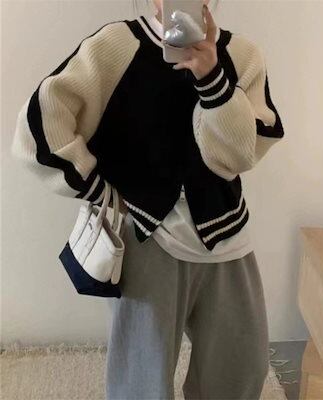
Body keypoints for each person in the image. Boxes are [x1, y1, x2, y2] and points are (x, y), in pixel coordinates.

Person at [11, 0, 285, 398]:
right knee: (141, 383)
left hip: (226, 235)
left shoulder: (242, 55)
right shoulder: (115, 45)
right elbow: (39, 126)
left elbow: (239, 156)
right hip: (146, 237)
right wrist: (101, 193)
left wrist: (212, 78)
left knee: (241, 367)